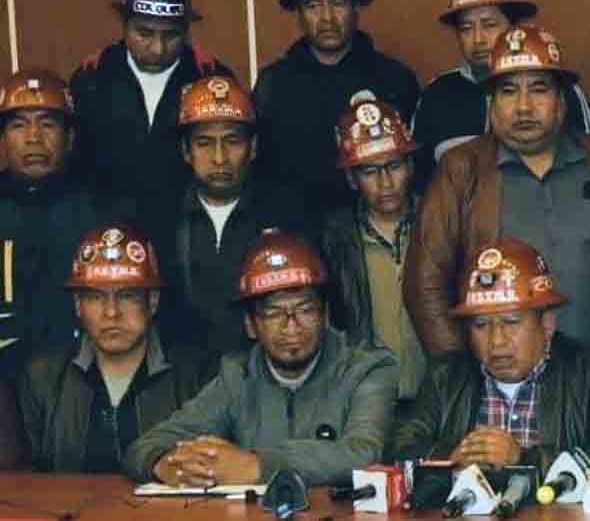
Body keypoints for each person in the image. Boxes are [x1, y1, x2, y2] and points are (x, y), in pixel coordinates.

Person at [406, 24, 590, 362]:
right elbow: (424, 283)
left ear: (562, 100)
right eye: (508, 91)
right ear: (491, 103)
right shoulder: (460, 171)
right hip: (501, 386)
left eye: (538, 89)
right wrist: (460, 373)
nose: (524, 107)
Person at [124, 229, 399, 487]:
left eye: (305, 310)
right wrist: (164, 464)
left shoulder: (368, 367)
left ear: (325, 315)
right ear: (250, 325)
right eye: (273, 313)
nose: (291, 327)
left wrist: (258, 466)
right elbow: (143, 447)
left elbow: (364, 453)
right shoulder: (237, 376)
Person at [392, 238, 590, 482]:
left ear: (547, 324)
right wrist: (450, 460)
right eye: (481, 325)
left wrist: (524, 460)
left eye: (511, 322)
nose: (496, 341)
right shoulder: (445, 377)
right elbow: (400, 450)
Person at [18, 225, 210, 472]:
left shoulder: (196, 376)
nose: (111, 312)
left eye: (127, 296)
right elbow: (24, 485)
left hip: (167, 512)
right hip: (67, 510)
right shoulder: (43, 377)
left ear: (152, 302)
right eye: (95, 297)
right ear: (77, 305)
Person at [254, 0, 421, 214]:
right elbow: (259, 174)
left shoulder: (394, 79)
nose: (327, 17)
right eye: (313, 5)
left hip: (372, 240)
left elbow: (415, 171)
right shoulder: (273, 84)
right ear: (298, 13)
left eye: (337, 2)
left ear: (356, 7)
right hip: (297, 237)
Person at [70, 0, 233, 226]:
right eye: (144, 33)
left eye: (171, 36)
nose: (158, 48)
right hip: (109, 237)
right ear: (124, 24)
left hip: (188, 238)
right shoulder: (92, 78)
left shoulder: (212, 78)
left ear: (187, 31)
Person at [157, 76, 308, 355]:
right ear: (185, 151)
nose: (219, 158)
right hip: (182, 382)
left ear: (253, 148)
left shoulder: (287, 217)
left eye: (232, 141)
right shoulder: (162, 219)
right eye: (204, 143)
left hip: (263, 379)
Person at [412, 0, 590, 189]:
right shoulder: (437, 95)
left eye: (489, 24)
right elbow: (419, 185)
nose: (478, 39)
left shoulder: (559, 87)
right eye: (466, 28)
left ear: (513, 26)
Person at [0, 71, 125, 379]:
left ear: (69, 137)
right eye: (18, 125)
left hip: (82, 374)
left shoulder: (102, 209)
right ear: (3, 138)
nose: (33, 137)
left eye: (47, 123)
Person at [321, 96, 426, 399]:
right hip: (364, 402)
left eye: (394, 165)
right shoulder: (332, 240)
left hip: (436, 400)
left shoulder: (438, 224)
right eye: (369, 171)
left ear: (410, 166)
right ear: (352, 179)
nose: (385, 182)